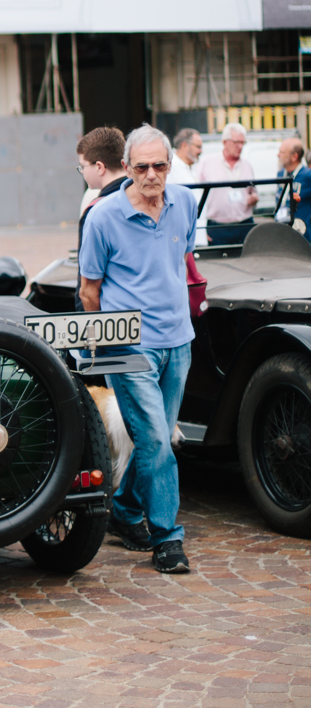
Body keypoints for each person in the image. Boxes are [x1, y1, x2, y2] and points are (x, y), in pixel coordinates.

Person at [79, 124, 197, 574]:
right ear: (126, 167)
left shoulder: (184, 202)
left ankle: (125, 511)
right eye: (142, 166)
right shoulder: (103, 217)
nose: (152, 175)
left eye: (160, 166)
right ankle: (168, 538)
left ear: (170, 166)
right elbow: (90, 291)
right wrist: (106, 348)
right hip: (127, 347)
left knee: (155, 443)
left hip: (178, 341)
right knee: (156, 442)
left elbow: (181, 259)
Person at [198, 122, 258, 247]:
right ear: (225, 142)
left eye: (243, 142)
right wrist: (202, 229)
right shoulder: (207, 163)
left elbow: (253, 191)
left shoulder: (247, 165)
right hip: (217, 226)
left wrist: (254, 198)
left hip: (244, 224)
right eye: (236, 142)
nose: (240, 146)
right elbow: (197, 197)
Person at [75, 126, 126, 256]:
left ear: (99, 167)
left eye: (82, 166)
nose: (82, 172)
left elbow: (88, 273)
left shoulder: (96, 212)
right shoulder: (148, 197)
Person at [274, 135, 304, 225]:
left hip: (300, 232)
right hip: (282, 227)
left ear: (294, 157)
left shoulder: (307, 176)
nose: (278, 155)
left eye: (282, 152)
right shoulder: (280, 174)